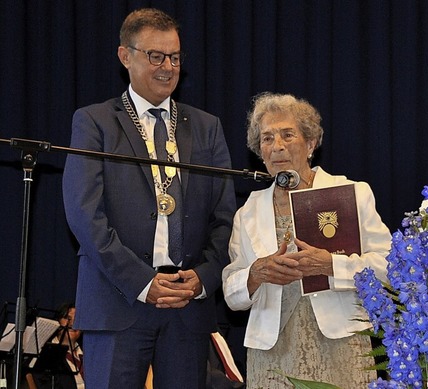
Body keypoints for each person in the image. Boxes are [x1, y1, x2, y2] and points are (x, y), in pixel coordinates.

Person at [62, 8, 236, 389]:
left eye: (174, 57)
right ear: (126, 56)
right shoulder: (94, 122)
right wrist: (142, 282)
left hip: (187, 306)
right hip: (118, 302)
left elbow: (225, 217)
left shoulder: (207, 127)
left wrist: (204, 277)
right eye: (155, 56)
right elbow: (84, 215)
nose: (167, 67)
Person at [222, 92, 392, 388]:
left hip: (341, 345)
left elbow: (389, 270)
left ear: (310, 143)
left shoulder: (350, 193)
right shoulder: (247, 211)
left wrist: (331, 265)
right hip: (271, 353)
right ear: (259, 152)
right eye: (267, 138)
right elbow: (231, 294)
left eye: (288, 135)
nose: (277, 146)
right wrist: (256, 273)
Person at [25, 303, 84, 389]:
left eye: (77, 320)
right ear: (58, 321)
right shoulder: (46, 352)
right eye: (68, 318)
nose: (72, 324)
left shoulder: (88, 353)